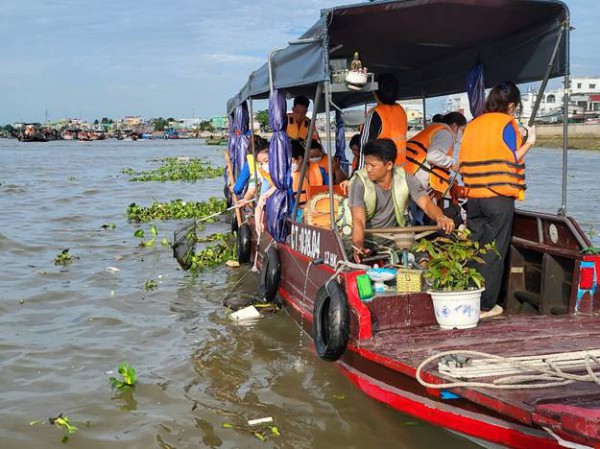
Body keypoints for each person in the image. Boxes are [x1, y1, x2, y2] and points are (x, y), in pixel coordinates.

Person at [458, 81, 536, 319]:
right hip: (497, 198)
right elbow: (513, 158)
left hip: (474, 197)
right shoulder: (507, 123)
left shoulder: (474, 124)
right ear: (511, 105)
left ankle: (468, 294)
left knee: (474, 247)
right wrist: (530, 141)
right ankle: (485, 305)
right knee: (493, 252)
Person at [347, 138, 455, 263]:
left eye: (373, 165)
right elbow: (358, 220)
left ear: (389, 165)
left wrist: (440, 217)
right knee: (350, 256)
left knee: (422, 258)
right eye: (366, 164)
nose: (368, 169)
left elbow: (426, 203)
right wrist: (358, 246)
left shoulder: (407, 178)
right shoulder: (359, 182)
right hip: (365, 236)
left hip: (395, 237)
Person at [404, 111, 467, 225]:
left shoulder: (435, 129)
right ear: (454, 126)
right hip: (414, 181)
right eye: (462, 130)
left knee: (413, 218)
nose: (462, 134)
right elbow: (433, 156)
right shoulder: (446, 133)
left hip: (409, 176)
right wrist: (452, 163)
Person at [358, 73, 407, 168]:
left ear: (374, 92)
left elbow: (364, 149)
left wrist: (358, 178)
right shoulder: (401, 112)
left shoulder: (375, 114)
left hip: (381, 176)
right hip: (400, 174)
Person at [290, 139, 327, 204]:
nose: (289, 164)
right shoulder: (289, 178)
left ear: (299, 159)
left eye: (291, 161)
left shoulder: (321, 171)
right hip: (299, 212)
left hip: (320, 209)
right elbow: (291, 203)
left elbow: (330, 191)